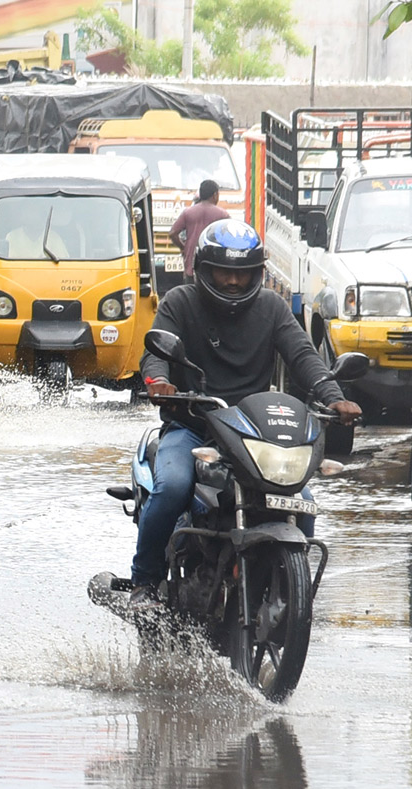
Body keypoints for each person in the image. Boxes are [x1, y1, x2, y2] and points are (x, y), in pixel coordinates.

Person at [128, 220, 362, 608]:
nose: (233, 282)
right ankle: (144, 584)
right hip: (193, 427)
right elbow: (155, 353)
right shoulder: (179, 303)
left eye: (243, 273)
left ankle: (284, 595)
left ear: (257, 273)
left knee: (301, 503)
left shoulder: (271, 307)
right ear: (204, 269)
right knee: (171, 488)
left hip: (253, 435)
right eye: (224, 272)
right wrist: (159, 382)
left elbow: (303, 355)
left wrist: (333, 396)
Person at [168, 179, 229, 284]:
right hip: (213, 266)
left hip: (191, 265)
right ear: (215, 195)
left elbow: (173, 233)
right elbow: (229, 239)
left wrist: (183, 248)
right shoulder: (222, 215)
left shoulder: (188, 212)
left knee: (191, 296)